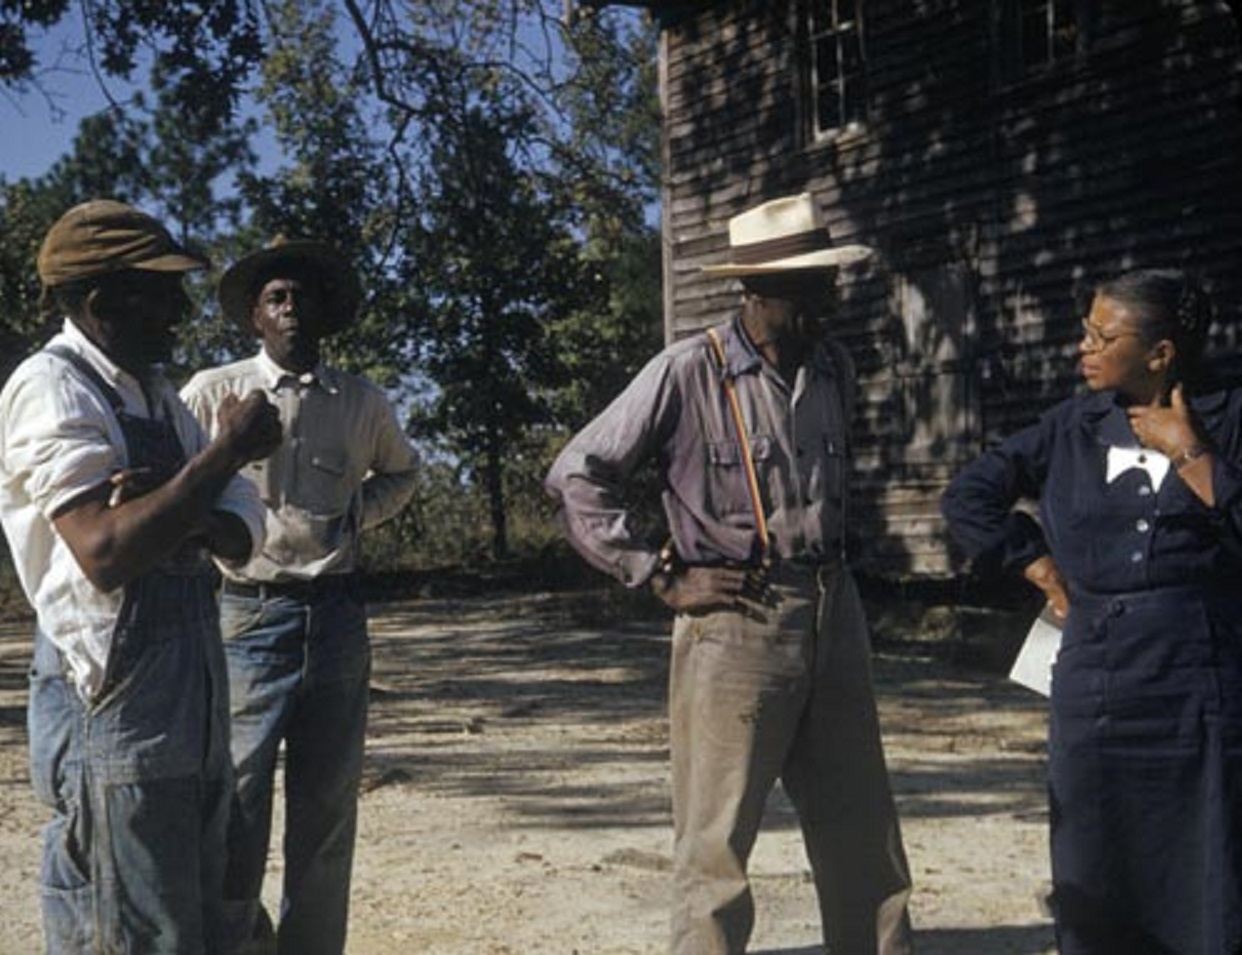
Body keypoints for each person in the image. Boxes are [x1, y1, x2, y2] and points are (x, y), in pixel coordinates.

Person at [545, 193, 914, 955]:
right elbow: (577, 472)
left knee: (861, 825)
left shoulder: (835, 367)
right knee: (716, 839)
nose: (828, 300)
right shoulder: (688, 369)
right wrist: (652, 572)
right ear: (756, 291)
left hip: (832, 604)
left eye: (829, 282)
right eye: (809, 286)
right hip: (737, 616)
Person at [0, 199, 282, 953]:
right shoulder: (50, 386)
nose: (181, 312)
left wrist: (179, 502)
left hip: (192, 702)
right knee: (129, 929)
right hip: (113, 709)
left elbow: (243, 526)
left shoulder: (154, 392)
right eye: (162, 292)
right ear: (102, 303)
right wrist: (221, 454)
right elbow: (105, 551)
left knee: (197, 918)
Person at [942, 268, 1242, 953]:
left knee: (1209, 859)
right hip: (1094, 683)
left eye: (1102, 337)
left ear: (1160, 353)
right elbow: (969, 496)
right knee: (1095, 858)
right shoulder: (1071, 426)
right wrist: (1038, 565)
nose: (1084, 347)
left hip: (1202, 686)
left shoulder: (1229, 419)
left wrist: (1189, 451)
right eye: (1085, 331)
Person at [180, 237, 419, 955]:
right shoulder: (213, 393)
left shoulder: (361, 401)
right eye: (276, 298)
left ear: (325, 311)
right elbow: (175, 482)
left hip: (338, 617)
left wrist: (357, 514)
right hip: (246, 616)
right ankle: (236, 943)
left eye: (302, 296)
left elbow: (403, 474)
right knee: (236, 801)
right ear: (255, 316)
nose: (291, 309)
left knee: (327, 809)